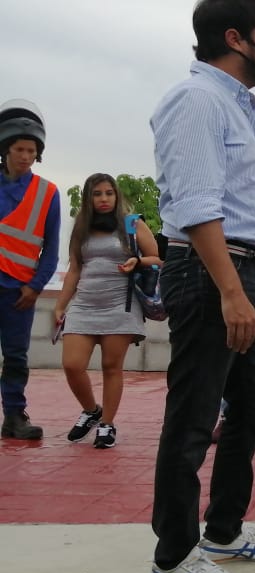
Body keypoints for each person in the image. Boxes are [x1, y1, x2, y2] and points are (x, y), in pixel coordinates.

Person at [149, 1, 255, 573]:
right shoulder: (197, 100)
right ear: (235, 38)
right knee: (193, 416)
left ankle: (224, 531)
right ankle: (174, 556)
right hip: (209, 272)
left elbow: (245, 210)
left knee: (253, 406)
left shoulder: (242, 107)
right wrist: (232, 291)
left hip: (242, 271)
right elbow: (197, 205)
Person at [56, 173, 160, 448]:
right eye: (97, 194)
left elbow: (157, 258)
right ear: (89, 198)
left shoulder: (131, 224)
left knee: (111, 367)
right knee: (72, 364)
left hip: (120, 305)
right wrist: (60, 305)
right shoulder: (82, 227)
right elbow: (75, 269)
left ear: (117, 196)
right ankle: (91, 410)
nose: (104, 199)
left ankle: (107, 425)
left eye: (109, 193)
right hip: (84, 305)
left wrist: (136, 261)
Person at [0, 99, 59, 441]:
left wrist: (35, 286)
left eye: (31, 150)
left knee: (16, 357)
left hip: (18, 293)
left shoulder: (47, 193)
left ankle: (14, 416)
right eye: (19, 149)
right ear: (6, 150)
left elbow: (50, 249)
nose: (25, 156)